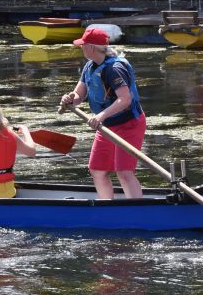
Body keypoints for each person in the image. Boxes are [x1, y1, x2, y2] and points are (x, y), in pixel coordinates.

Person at [59, 28, 146, 200]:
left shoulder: (114, 68)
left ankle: (137, 209)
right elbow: (79, 95)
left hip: (128, 124)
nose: (81, 48)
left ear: (91, 47)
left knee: (124, 172)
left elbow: (125, 99)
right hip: (106, 125)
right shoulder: (89, 66)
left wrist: (101, 116)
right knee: (97, 170)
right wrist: (70, 98)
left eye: (83, 45)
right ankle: (107, 206)